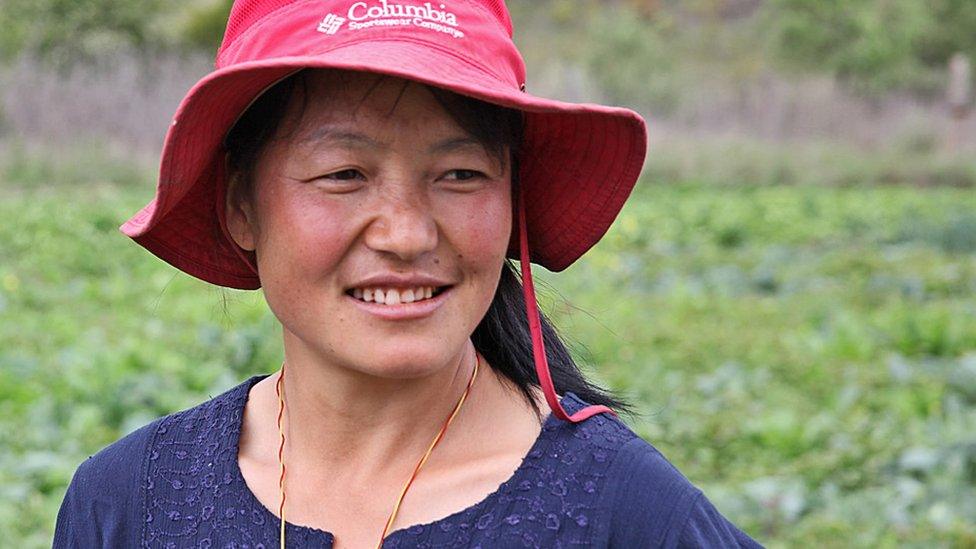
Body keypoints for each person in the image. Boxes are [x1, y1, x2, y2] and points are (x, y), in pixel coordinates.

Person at [53, 0, 763, 547]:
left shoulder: (627, 513)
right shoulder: (127, 503)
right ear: (242, 204)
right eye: (344, 174)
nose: (407, 233)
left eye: (460, 173)